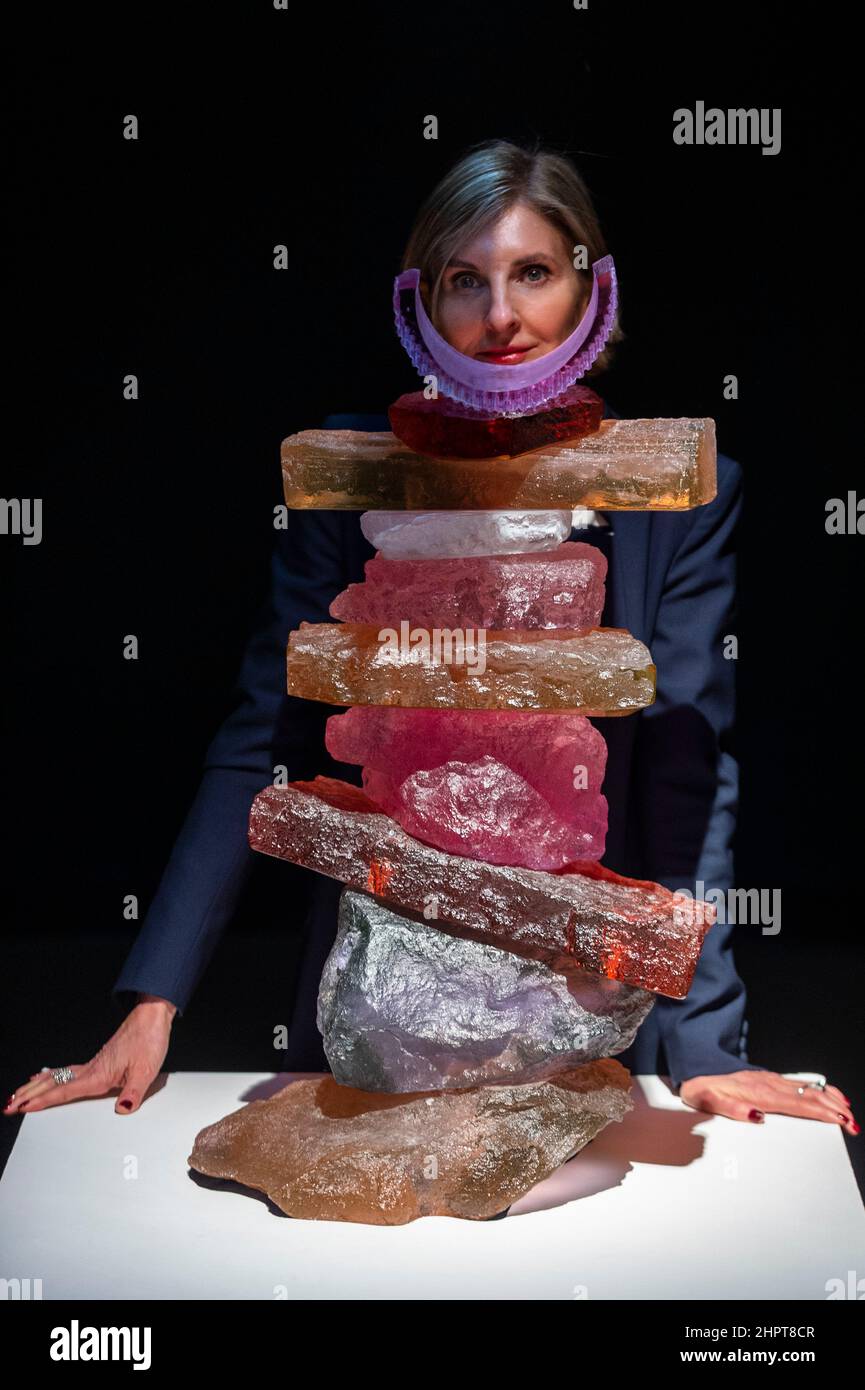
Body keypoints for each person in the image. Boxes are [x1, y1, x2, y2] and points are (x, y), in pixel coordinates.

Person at [5, 139, 856, 1139]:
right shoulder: (353, 476)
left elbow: (685, 770)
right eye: (466, 280)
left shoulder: (676, 494)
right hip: (375, 992)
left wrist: (706, 1044)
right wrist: (152, 1004)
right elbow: (263, 738)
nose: (500, 316)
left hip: (578, 999)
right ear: (420, 298)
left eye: (534, 272)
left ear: (593, 291)